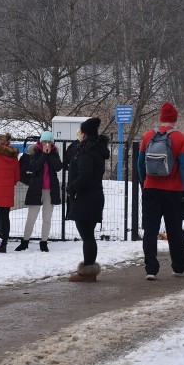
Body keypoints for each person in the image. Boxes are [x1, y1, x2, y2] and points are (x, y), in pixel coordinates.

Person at [137, 102, 184, 280]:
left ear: (161, 118)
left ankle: (151, 269)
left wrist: (143, 181)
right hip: (173, 191)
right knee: (175, 229)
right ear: (174, 119)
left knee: (150, 230)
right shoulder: (180, 138)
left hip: (150, 189)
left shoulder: (147, 136)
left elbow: (140, 164)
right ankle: (179, 266)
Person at [66, 117, 110, 282]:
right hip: (95, 195)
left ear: (85, 134)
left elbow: (84, 176)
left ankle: (88, 272)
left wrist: (71, 188)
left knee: (87, 235)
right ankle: (89, 268)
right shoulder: (97, 151)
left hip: (85, 198)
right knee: (88, 234)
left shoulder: (85, 153)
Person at [17, 131, 61, 252]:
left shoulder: (55, 153)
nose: (47, 144)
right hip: (36, 189)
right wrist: (43, 155)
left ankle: (44, 242)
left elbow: (58, 167)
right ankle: (25, 241)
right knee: (31, 216)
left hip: (50, 190)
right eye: (44, 141)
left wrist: (49, 155)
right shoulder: (34, 152)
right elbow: (34, 167)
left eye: (49, 142)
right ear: (40, 142)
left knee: (47, 218)